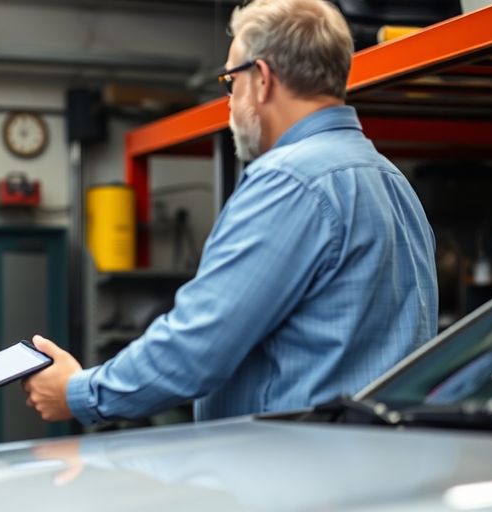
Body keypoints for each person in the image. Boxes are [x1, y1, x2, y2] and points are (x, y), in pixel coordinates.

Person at [25, 0, 437, 425]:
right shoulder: (390, 180)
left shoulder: (288, 180)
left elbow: (199, 342)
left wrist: (78, 392)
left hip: (295, 471)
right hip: (377, 458)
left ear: (261, 79)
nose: (229, 102)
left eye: (229, 82)